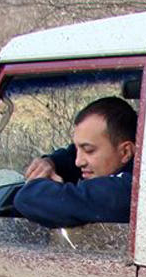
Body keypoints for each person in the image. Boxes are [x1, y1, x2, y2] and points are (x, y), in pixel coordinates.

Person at [14, 96, 137, 228]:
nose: (78, 162)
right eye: (78, 149)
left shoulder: (128, 190)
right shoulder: (139, 168)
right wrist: (50, 163)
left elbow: (29, 199)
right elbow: (71, 155)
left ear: (125, 152)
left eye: (88, 150)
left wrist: (34, 184)